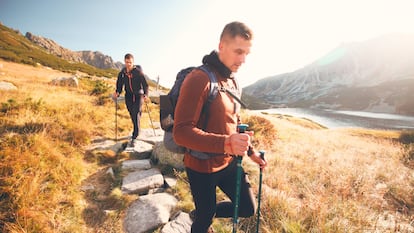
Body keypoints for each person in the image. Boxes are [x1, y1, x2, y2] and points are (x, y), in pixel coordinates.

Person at [173, 21, 267, 233]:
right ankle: (203, 216)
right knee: (204, 221)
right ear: (221, 46)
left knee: (246, 208)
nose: (243, 59)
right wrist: (226, 143)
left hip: (229, 162)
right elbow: (181, 132)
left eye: (247, 54)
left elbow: (234, 121)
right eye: (238, 51)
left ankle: (202, 213)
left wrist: (251, 152)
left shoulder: (233, 82)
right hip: (201, 166)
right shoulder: (199, 78)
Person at [113, 53, 149, 146]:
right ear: (124, 62)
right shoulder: (122, 73)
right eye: (127, 62)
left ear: (133, 62)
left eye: (130, 62)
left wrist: (146, 94)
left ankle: (135, 135)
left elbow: (145, 84)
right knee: (132, 113)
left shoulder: (138, 72)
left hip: (139, 95)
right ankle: (137, 127)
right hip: (128, 95)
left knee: (136, 112)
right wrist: (117, 92)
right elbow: (119, 84)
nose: (128, 64)